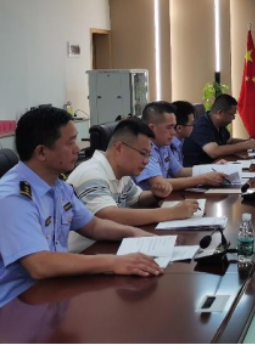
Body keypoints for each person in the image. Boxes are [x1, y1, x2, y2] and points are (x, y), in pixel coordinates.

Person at [0, 108, 161, 308]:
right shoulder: (13, 198)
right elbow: (39, 264)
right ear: (41, 152)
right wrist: (114, 262)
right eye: (70, 142)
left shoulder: (58, 186)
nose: (78, 149)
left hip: (52, 291)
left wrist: (135, 234)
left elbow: (94, 226)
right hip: (14, 305)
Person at [67, 118, 201, 253]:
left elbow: (137, 199)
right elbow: (109, 216)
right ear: (119, 148)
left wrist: (155, 195)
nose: (146, 161)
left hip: (108, 245)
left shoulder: (122, 173)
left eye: (148, 155)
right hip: (85, 253)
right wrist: (172, 213)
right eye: (143, 153)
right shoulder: (91, 173)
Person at [135, 102, 229, 192]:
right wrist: (203, 179)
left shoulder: (163, 145)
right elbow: (159, 183)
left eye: (173, 127)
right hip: (148, 201)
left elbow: (179, 171)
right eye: (169, 127)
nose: (173, 132)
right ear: (151, 128)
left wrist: (212, 168)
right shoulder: (144, 149)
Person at [182, 94, 255, 167]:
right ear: (220, 113)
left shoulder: (220, 124)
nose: (233, 118)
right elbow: (214, 152)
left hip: (216, 165)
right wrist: (245, 145)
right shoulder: (202, 126)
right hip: (198, 171)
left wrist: (252, 142)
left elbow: (229, 141)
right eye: (232, 114)